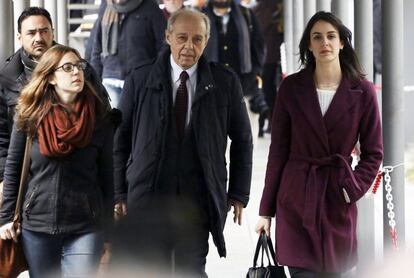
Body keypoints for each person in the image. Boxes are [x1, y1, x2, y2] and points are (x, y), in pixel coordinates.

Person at [112, 9, 252, 277]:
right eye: (182, 38)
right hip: (149, 193)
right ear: (168, 37)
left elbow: (243, 140)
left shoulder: (224, 83)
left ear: (207, 41)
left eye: (197, 39)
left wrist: (237, 193)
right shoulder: (140, 79)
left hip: (198, 197)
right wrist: (119, 192)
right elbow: (119, 141)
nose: (189, 46)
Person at [255, 11, 383, 278]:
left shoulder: (363, 91)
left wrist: (351, 189)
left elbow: (374, 153)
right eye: (317, 37)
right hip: (296, 197)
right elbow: (278, 152)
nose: (324, 42)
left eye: (331, 36)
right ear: (309, 46)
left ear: (341, 43)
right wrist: (266, 211)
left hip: (338, 197)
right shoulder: (291, 88)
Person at [0, 45, 117, 278]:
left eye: (79, 66)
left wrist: (109, 234)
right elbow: (13, 170)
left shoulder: (99, 119)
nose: (76, 72)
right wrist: (5, 219)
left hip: (86, 225)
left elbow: (107, 178)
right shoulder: (29, 116)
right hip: (38, 226)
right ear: (51, 77)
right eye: (67, 67)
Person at [0, 7, 110, 191]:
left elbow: (103, 121)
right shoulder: (7, 78)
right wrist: (5, 178)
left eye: (44, 31)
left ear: (53, 32)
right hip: (25, 179)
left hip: (76, 173)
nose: (38, 38)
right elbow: (1, 136)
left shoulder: (81, 70)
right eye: (31, 33)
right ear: (19, 37)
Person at [203, 0, 265, 144]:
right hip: (212, 91)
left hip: (244, 89)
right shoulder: (201, 16)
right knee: (215, 144)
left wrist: (254, 74)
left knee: (245, 143)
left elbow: (259, 47)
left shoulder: (247, 15)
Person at [90, 0, 167, 108]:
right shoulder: (106, 7)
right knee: (114, 123)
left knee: (137, 123)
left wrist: (155, 74)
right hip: (110, 80)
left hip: (141, 82)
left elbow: (164, 45)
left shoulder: (150, 7)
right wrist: (93, 81)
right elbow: (97, 47)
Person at [253, 0, 284, 137]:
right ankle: (271, 121)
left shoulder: (267, 6)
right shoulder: (271, 6)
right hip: (269, 55)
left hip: (269, 56)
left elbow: (260, 27)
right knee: (269, 90)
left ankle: (272, 121)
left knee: (268, 91)